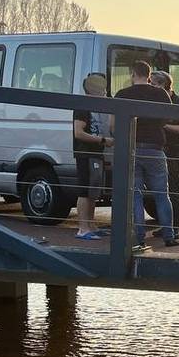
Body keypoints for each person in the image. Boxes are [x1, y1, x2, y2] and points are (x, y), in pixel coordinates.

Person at [115, 61, 178, 248]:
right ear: (149, 75)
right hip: (155, 148)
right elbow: (167, 118)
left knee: (135, 195)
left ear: (132, 74)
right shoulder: (161, 93)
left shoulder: (123, 94)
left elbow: (113, 125)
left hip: (132, 148)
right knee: (161, 194)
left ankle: (139, 238)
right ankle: (169, 235)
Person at [73, 73, 114, 240]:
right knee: (84, 191)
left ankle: (90, 224)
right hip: (85, 153)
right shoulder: (83, 106)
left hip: (96, 153)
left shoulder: (95, 106)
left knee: (93, 191)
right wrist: (103, 140)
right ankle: (83, 228)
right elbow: (78, 132)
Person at [149, 70, 179, 237]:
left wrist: (163, 127)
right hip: (159, 150)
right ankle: (166, 225)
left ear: (162, 85)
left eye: (152, 84)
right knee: (161, 190)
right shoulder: (155, 101)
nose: (150, 87)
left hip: (176, 153)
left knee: (175, 189)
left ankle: (177, 226)